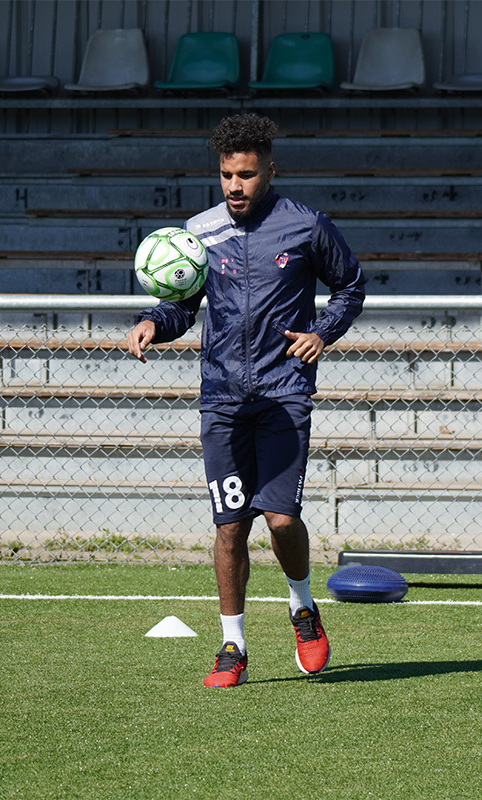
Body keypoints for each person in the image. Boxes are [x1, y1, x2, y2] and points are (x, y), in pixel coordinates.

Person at [126, 113, 366, 688]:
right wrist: (154, 322)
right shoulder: (199, 233)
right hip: (222, 400)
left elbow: (351, 286)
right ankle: (232, 647)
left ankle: (303, 608)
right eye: (227, 175)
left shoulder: (306, 226)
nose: (235, 186)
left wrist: (322, 332)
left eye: (247, 175)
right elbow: (181, 303)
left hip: (284, 393)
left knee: (281, 519)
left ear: (269, 171)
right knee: (231, 527)